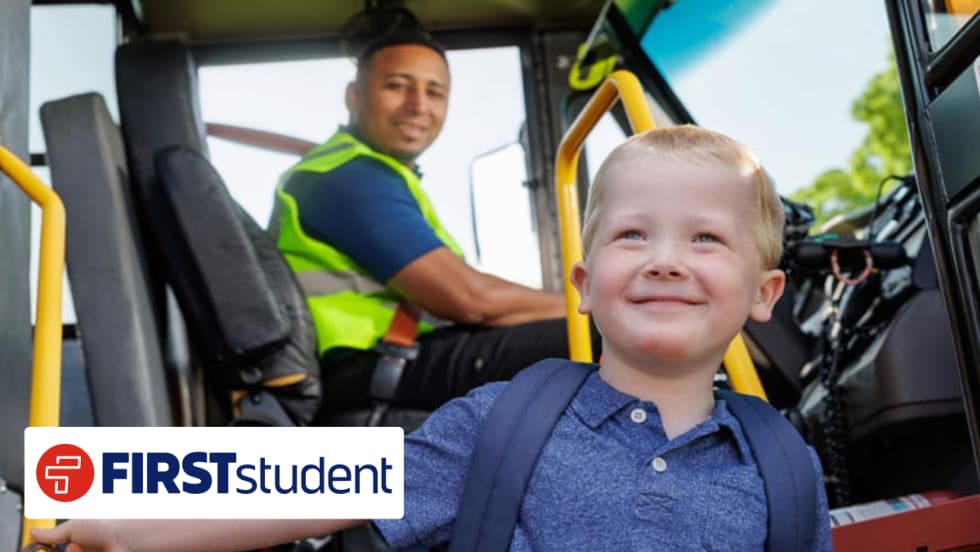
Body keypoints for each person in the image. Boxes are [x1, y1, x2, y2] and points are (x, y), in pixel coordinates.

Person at [32, 126, 831, 551]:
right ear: (582, 289)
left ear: (765, 294)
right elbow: (316, 493)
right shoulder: (501, 424)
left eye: (705, 240)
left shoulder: (786, 469)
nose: (664, 262)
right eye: (631, 236)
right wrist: (128, 527)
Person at [272, 28, 596, 415]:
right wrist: (597, 302)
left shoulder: (376, 174)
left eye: (435, 92)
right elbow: (471, 300)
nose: (418, 105)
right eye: (397, 86)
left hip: (403, 358)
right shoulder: (344, 177)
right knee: (615, 336)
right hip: (381, 368)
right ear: (353, 96)